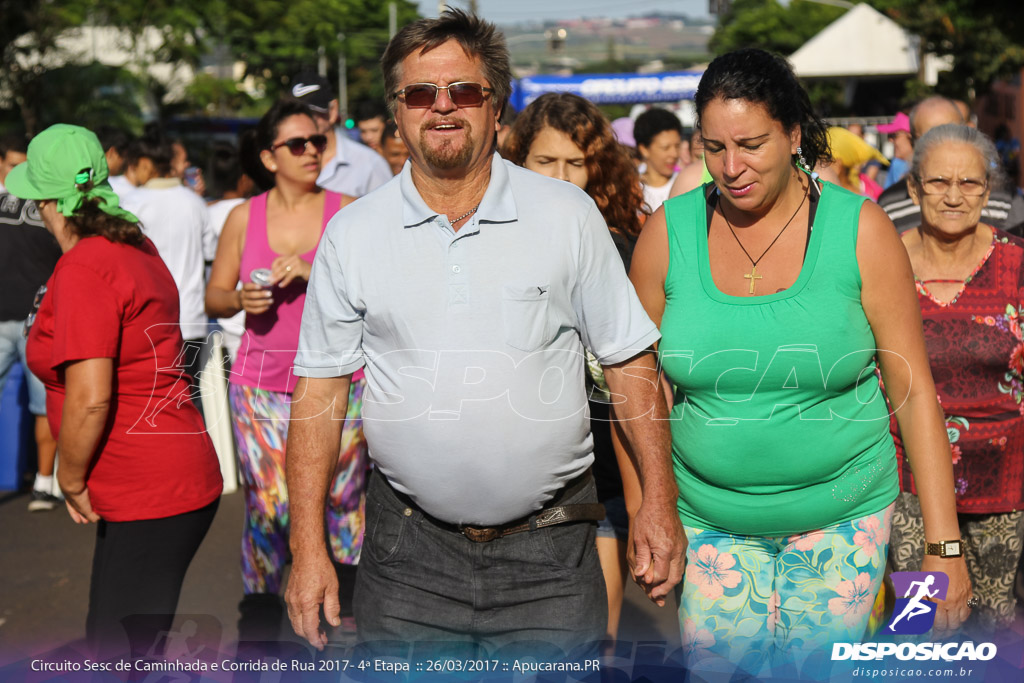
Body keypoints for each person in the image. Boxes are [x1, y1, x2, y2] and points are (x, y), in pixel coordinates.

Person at [285, 9, 683, 658]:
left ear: (495, 108)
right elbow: (318, 396)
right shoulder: (354, 234)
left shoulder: (568, 215)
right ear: (397, 110)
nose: (442, 108)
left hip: (552, 554)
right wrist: (308, 549)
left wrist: (657, 506)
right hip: (407, 557)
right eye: (420, 94)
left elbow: (630, 363)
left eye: (463, 91)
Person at [628, 48, 971, 677]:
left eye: (752, 144)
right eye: (713, 147)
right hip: (710, 523)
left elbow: (914, 390)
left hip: (843, 518)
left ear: (793, 135)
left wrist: (943, 546)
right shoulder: (667, 234)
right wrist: (649, 510)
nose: (731, 168)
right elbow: (637, 383)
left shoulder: (861, 231)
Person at [11, 124, 222, 657]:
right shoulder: (131, 245)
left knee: (116, 654)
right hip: (159, 479)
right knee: (116, 644)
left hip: (150, 486)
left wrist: (70, 476)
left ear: (46, 202)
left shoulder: (87, 264)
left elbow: (91, 396)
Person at [204, 99, 367, 645]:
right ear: (270, 157)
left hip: (339, 384)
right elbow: (215, 294)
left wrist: (314, 267)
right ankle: (262, 630)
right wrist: (241, 298)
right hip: (260, 384)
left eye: (317, 141)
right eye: (297, 145)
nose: (311, 152)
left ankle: (343, 617)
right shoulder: (241, 216)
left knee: (342, 499)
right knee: (271, 506)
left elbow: (376, 291)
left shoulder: (349, 210)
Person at [502, 91, 648, 646]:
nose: (562, 177)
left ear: (598, 169)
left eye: (576, 162)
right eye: (546, 161)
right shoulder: (491, 240)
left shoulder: (625, 246)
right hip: (521, 463)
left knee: (598, 641)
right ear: (519, 162)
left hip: (608, 458)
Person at [889, 124, 1024, 632]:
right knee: (922, 632)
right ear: (912, 187)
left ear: (988, 192)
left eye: (969, 184)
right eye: (937, 182)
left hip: (1002, 489)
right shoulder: (884, 264)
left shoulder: (1017, 267)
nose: (952, 196)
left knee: (989, 635)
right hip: (908, 487)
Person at [120, 132, 215, 411]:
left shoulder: (131, 204)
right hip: (191, 320)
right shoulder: (194, 203)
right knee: (188, 401)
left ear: (145, 163)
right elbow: (210, 256)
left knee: (149, 405)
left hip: (146, 322)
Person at [0, 179, 61, 511]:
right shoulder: (47, 205)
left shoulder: (46, 202)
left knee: (44, 403)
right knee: (45, 403)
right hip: (25, 318)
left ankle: (44, 482)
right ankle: (43, 483)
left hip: (31, 319)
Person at [879, 97, 1024, 234]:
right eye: (930, 140)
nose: (953, 199)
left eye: (954, 134)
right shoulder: (890, 204)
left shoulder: (1005, 198)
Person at [287, 71, 393, 197]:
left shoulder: (369, 164)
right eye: (295, 114)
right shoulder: (283, 162)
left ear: (332, 111)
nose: (302, 120)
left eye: (311, 113)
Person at [634, 108, 683, 212]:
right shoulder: (631, 188)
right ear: (644, 149)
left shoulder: (685, 185)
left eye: (677, 146)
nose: (674, 154)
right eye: (665, 148)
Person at [877, 112, 912, 189]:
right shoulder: (897, 162)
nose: (890, 140)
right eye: (890, 136)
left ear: (910, 136)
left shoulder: (898, 164)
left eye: (894, 136)